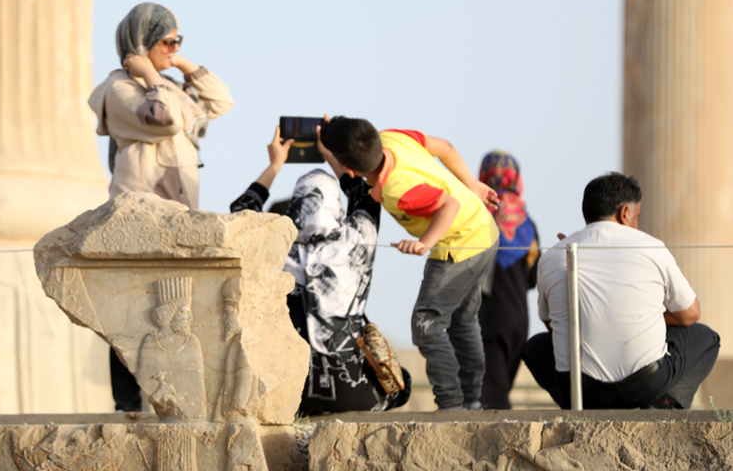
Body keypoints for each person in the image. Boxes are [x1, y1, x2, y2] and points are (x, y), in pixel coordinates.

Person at [88, 2, 233, 412]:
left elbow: (221, 101)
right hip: (141, 219)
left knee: (172, 313)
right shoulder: (119, 89)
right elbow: (166, 119)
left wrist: (179, 64)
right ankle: (128, 407)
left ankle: (169, 402)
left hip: (176, 222)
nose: (174, 48)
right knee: (131, 315)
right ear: (140, 46)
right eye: (167, 42)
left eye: (177, 40)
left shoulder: (168, 87)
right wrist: (152, 74)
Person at [317, 117, 499, 411]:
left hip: (459, 244)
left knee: (426, 324)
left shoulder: (396, 189)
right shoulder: (391, 139)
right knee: (464, 320)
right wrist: (472, 183)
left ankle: (452, 406)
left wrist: (424, 242)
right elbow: (446, 147)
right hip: (484, 230)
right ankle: (471, 401)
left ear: (350, 166)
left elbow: (449, 205)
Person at [231, 128, 410, 413]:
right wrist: (332, 156)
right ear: (336, 207)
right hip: (353, 392)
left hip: (291, 394)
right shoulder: (358, 238)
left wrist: (275, 164)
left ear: (296, 207)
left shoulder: (271, 247)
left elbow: (242, 211)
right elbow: (364, 196)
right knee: (403, 384)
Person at [523, 172, 720, 409]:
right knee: (707, 338)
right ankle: (665, 405)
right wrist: (647, 317)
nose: (637, 225)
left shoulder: (555, 254)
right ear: (625, 212)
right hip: (645, 384)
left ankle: (575, 408)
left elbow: (552, 324)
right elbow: (690, 314)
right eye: (637, 217)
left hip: (578, 387)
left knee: (534, 347)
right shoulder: (650, 247)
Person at [476, 151, 539, 409]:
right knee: (498, 392)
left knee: (491, 399)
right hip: (518, 320)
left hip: (485, 318)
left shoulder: (478, 217)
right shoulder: (527, 224)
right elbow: (533, 278)